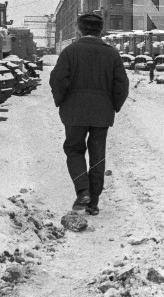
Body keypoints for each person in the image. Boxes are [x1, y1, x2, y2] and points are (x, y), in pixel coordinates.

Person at [50, 12, 129, 215]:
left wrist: (62, 101)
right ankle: (93, 202)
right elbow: (122, 84)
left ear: (79, 29)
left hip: (74, 112)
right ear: (100, 30)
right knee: (97, 156)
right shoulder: (111, 54)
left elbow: (58, 79)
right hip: (101, 113)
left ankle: (82, 190)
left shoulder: (70, 51)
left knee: (74, 150)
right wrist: (113, 106)